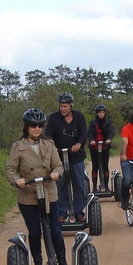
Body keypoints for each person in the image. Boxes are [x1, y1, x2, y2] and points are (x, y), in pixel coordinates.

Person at [5, 108, 69, 265]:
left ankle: (62, 264)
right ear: (27, 127)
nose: (37, 128)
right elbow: (10, 169)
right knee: (35, 232)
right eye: (33, 125)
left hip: (49, 193)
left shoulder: (49, 144)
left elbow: (58, 165)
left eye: (40, 125)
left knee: (55, 230)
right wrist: (16, 180)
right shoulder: (18, 147)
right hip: (28, 194)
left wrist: (56, 173)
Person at [44, 92, 88, 221]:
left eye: (65, 106)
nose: (62, 109)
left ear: (71, 106)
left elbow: (83, 132)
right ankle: (62, 212)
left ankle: (78, 210)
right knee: (60, 184)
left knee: (79, 183)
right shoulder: (54, 118)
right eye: (61, 106)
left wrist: (79, 143)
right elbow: (48, 134)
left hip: (76, 155)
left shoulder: (79, 116)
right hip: (59, 157)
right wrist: (52, 147)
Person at [88, 104, 115, 193]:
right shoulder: (93, 123)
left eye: (103, 112)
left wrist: (109, 139)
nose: (101, 114)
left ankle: (106, 186)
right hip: (94, 147)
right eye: (99, 112)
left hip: (104, 147)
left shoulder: (107, 123)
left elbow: (110, 133)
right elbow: (90, 134)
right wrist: (92, 140)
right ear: (97, 113)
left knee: (105, 166)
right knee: (95, 166)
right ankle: (95, 187)